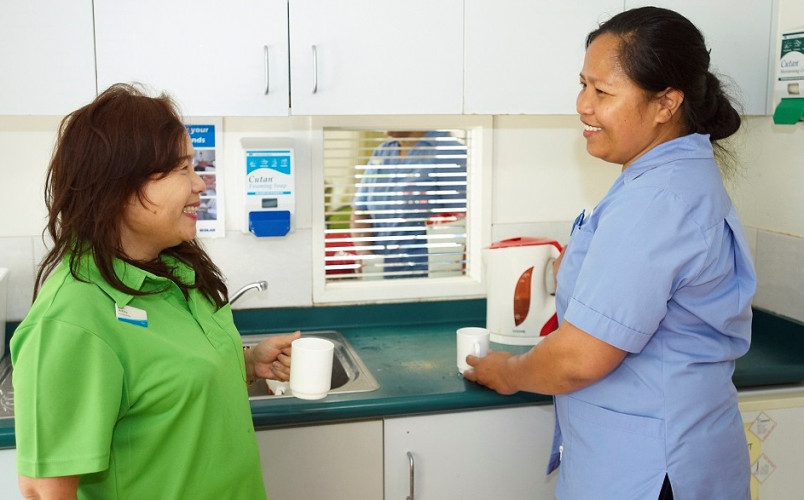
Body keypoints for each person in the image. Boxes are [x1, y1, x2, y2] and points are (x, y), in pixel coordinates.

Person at [464, 7, 756, 500]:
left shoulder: (657, 199)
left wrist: (509, 372)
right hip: (668, 454)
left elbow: (580, 358)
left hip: (651, 471)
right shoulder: (666, 178)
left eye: (602, 92)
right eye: (583, 85)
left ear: (666, 103)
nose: (583, 105)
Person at [10, 84, 299, 499]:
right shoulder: (72, 321)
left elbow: (165, 381)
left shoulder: (176, 271)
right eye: (183, 169)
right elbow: (44, 489)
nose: (200, 185)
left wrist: (250, 364)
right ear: (122, 185)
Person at [350, 130, 467, 278]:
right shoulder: (383, 152)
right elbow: (361, 210)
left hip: (427, 275)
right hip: (381, 274)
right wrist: (364, 252)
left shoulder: (448, 152)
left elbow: (463, 219)